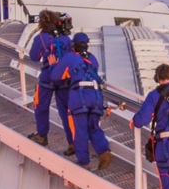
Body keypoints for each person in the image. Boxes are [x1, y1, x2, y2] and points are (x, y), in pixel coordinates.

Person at [56, 33, 113, 170]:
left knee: (80, 130)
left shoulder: (70, 58)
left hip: (79, 97)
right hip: (96, 97)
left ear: (73, 45)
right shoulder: (92, 59)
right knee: (94, 127)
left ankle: (84, 161)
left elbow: (55, 76)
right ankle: (104, 152)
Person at [26, 10, 73, 152]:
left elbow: (34, 56)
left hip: (47, 78)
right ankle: (73, 142)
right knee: (66, 112)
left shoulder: (41, 38)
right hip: (64, 79)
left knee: (41, 106)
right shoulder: (66, 39)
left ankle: (42, 135)